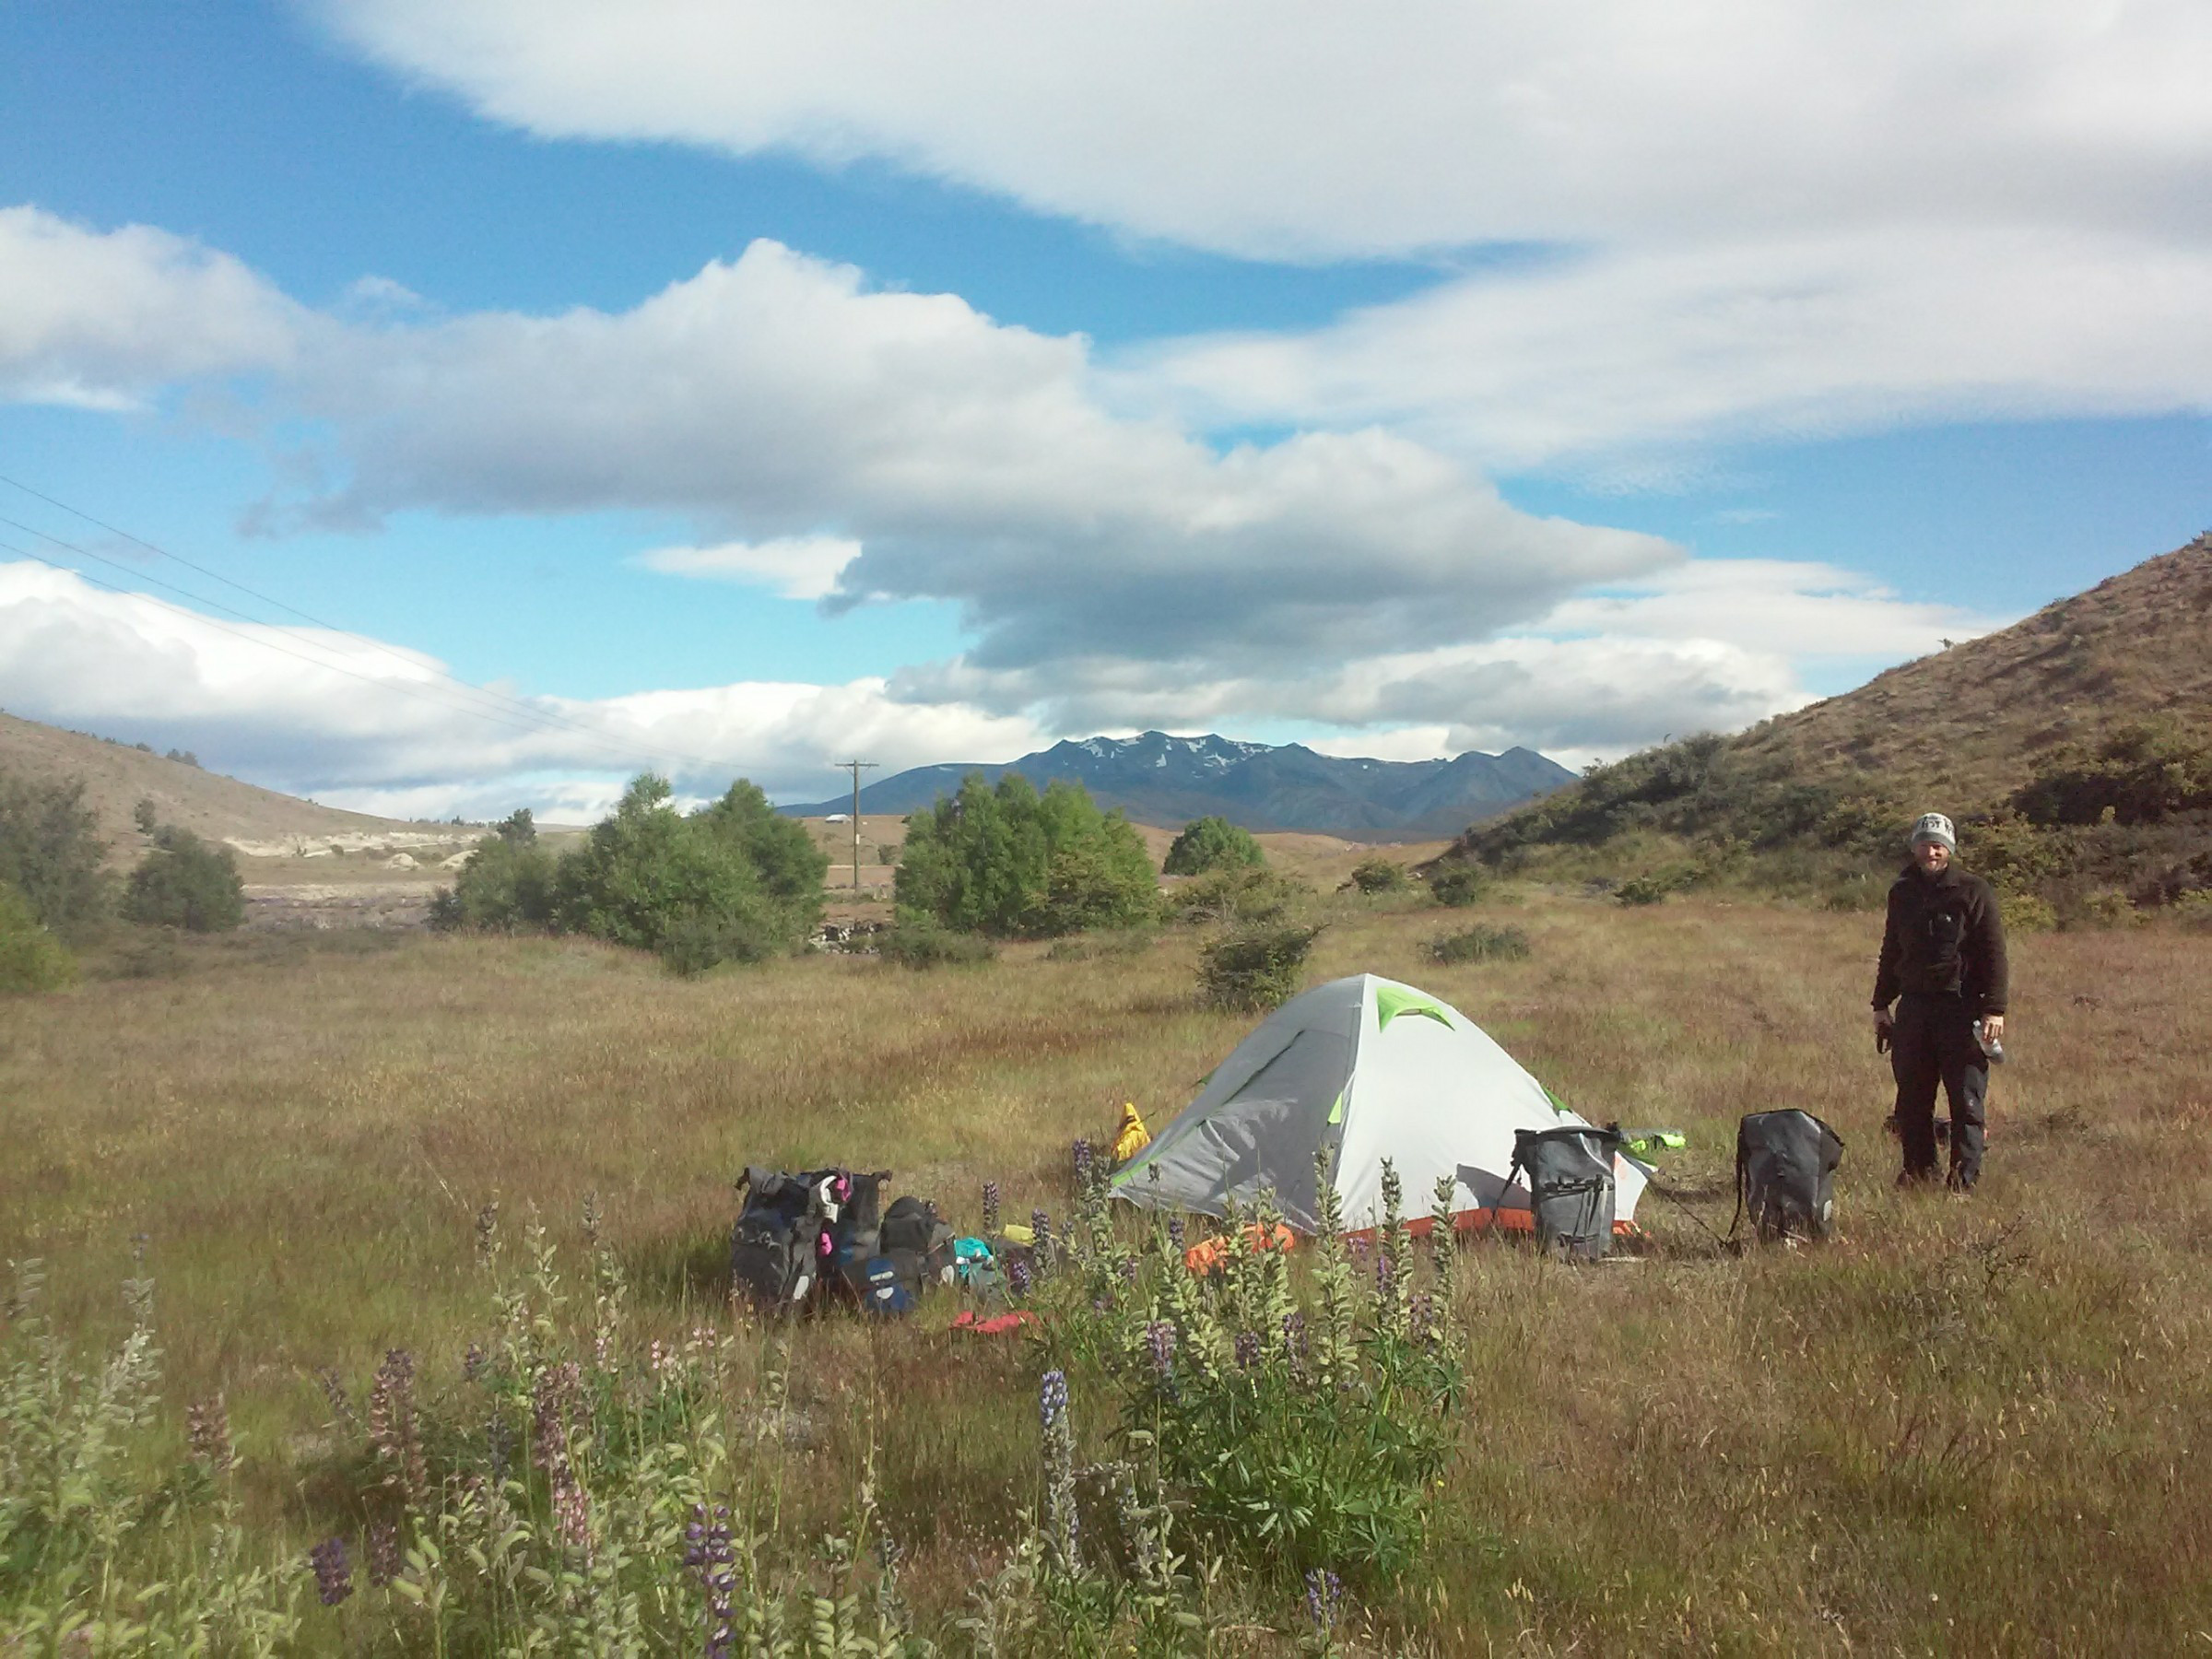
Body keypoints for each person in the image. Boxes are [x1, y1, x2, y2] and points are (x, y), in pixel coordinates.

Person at [1871, 812, 2009, 1191]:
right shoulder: (1902, 892)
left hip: (1961, 1008)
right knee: (1911, 1100)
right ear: (1914, 846)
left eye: (1938, 844)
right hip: (1914, 1009)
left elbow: (1994, 952)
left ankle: (1963, 1182)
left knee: (1966, 1101)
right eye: (1924, 843)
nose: (1930, 851)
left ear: (1948, 848)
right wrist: (1881, 1005)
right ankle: (1919, 1172)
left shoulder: (1973, 890)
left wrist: (1994, 1008)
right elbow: (1891, 949)